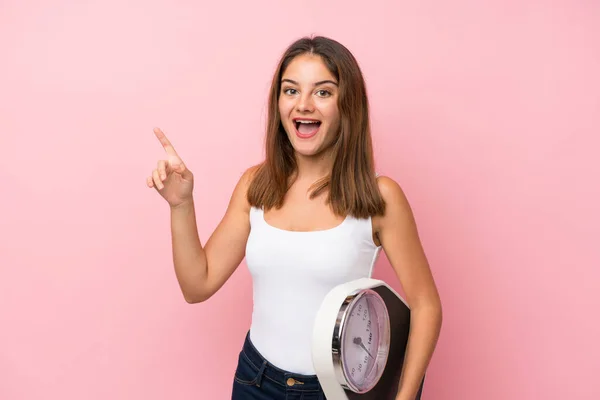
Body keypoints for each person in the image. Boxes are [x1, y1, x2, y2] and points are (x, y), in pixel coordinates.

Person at [147, 35, 442, 400]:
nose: (304, 105)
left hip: (333, 392)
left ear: (347, 105)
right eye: (291, 91)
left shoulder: (380, 198)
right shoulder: (256, 185)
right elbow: (197, 285)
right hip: (255, 381)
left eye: (323, 92)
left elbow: (426, 305)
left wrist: (405, 397)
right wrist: (181, 205)